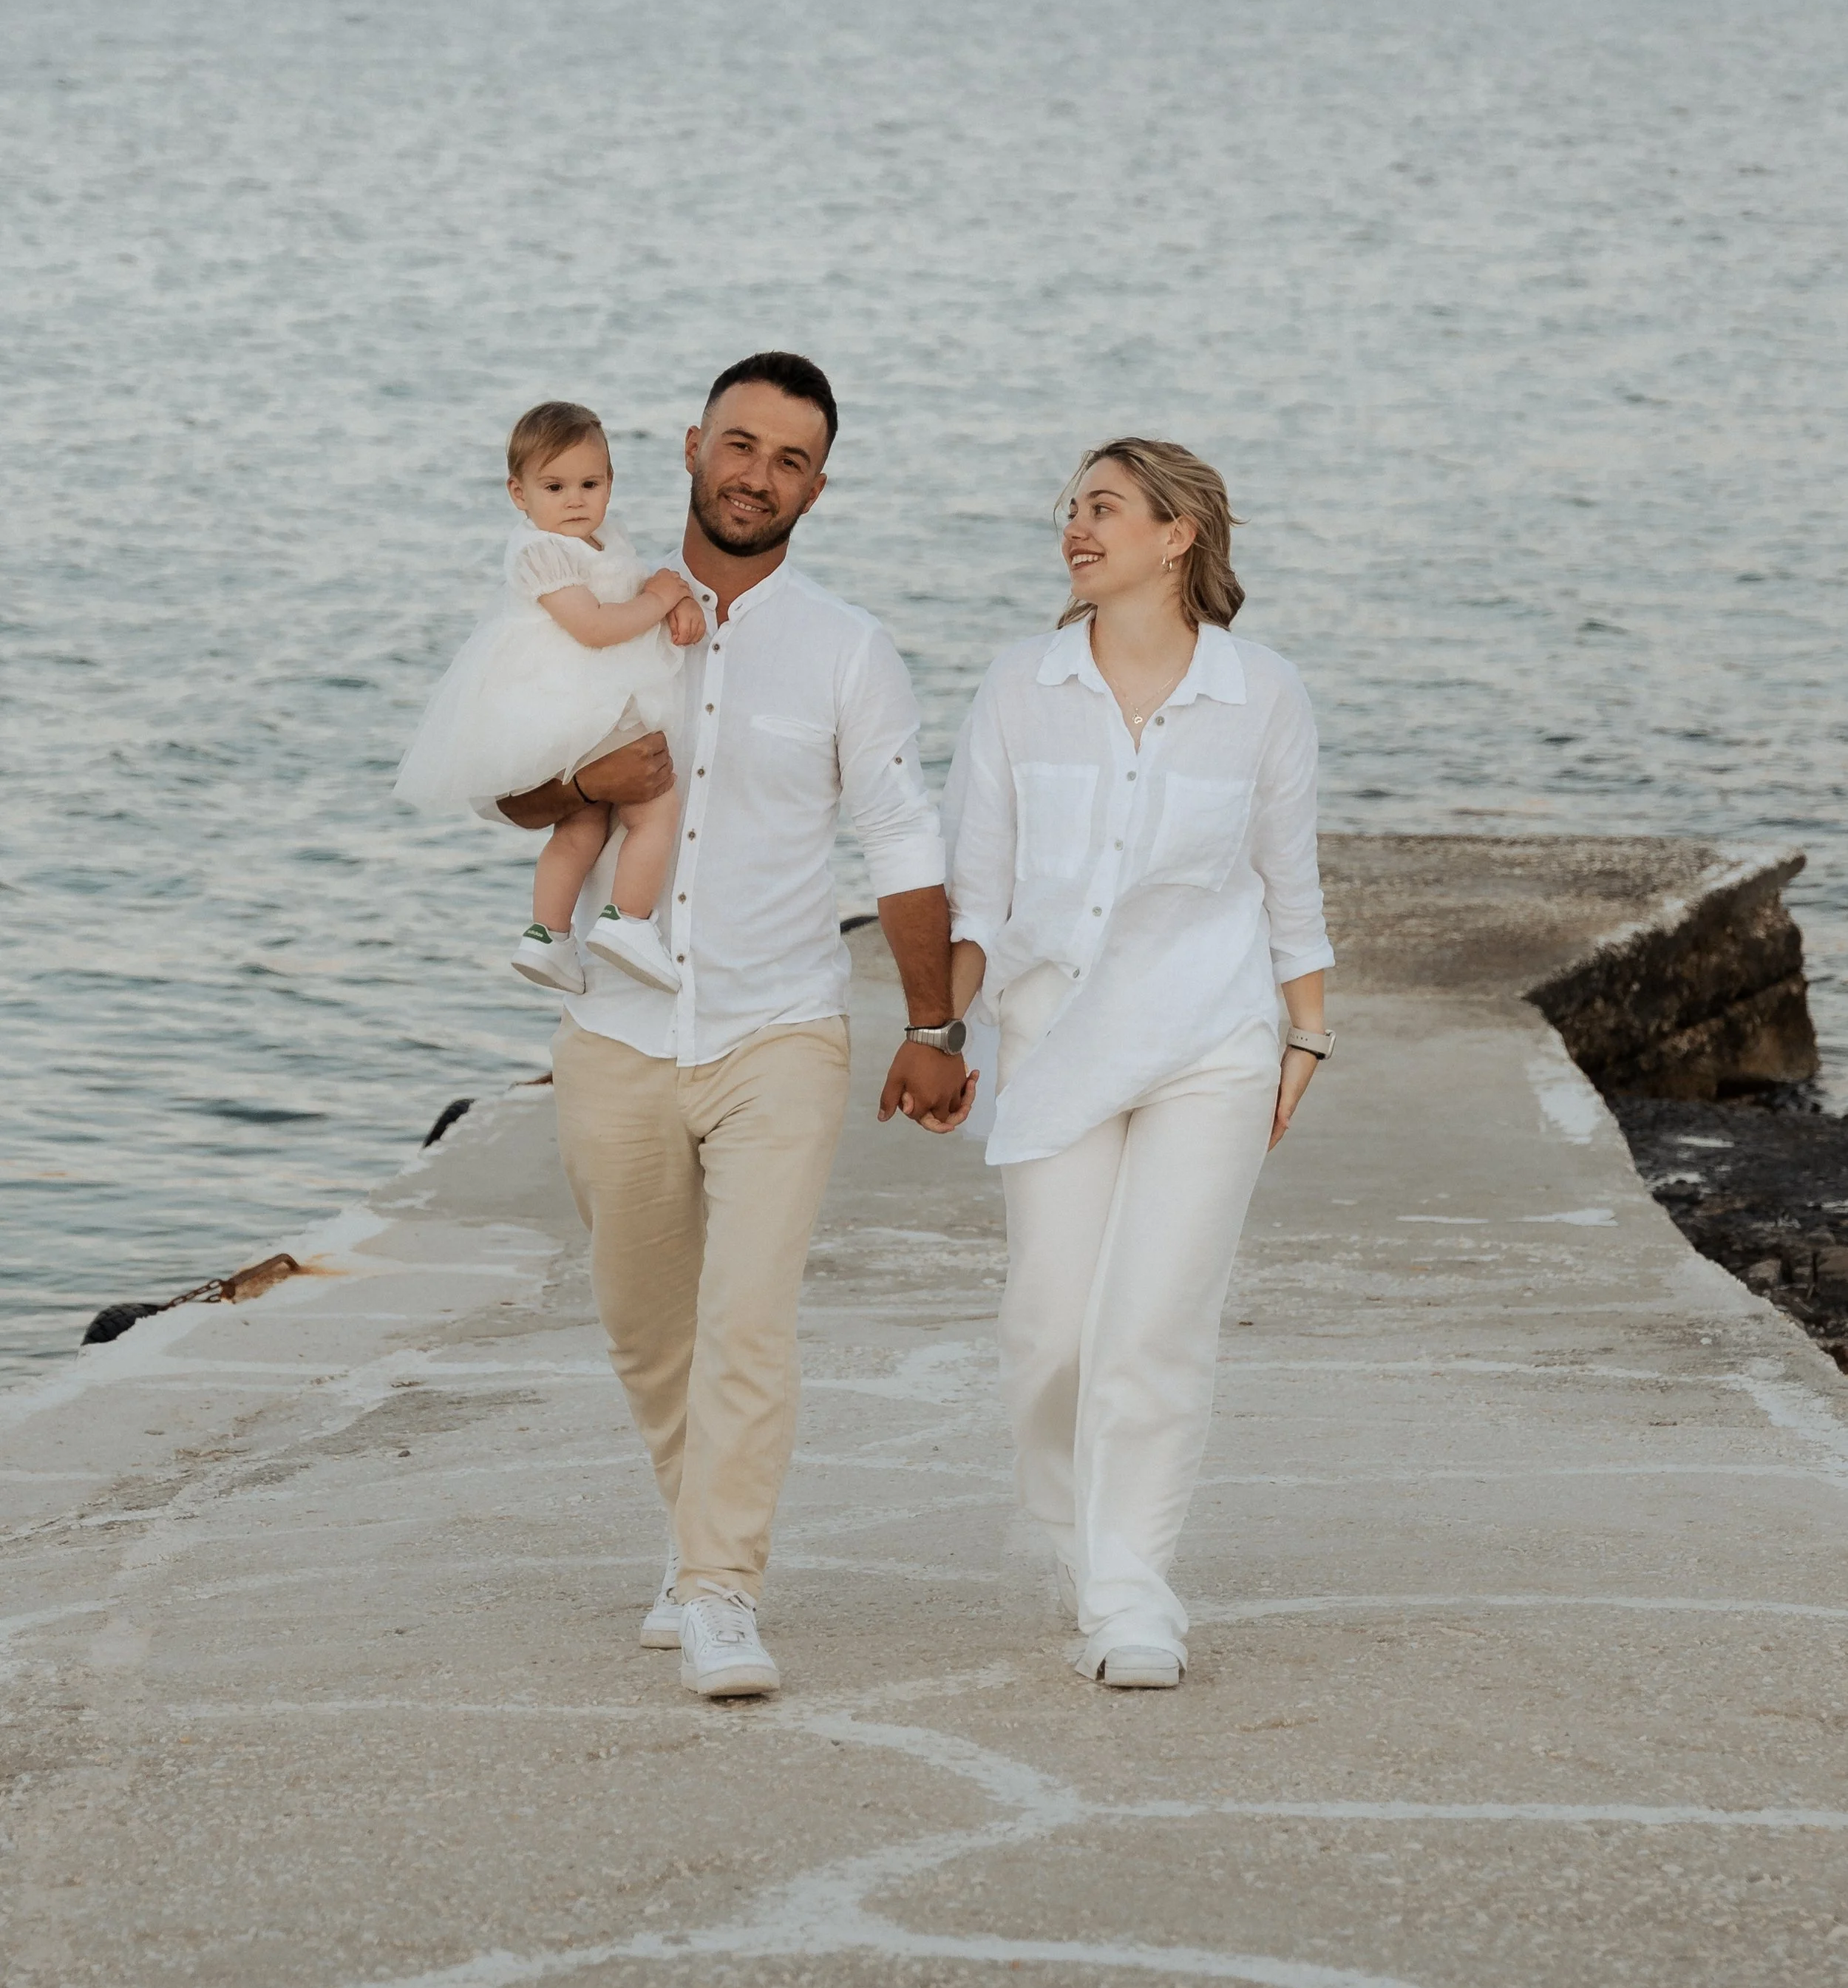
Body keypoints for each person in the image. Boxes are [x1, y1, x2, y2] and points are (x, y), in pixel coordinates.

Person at [496, 353, 973, 1701]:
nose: (759, 473)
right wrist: (588, 777)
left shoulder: (847, 648)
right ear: (693, 445)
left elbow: (898, 837)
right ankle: (690, 1534)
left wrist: (933, 1024)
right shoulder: (595, 608)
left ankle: (720, 1590)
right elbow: (517, 794)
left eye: (792, 458)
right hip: (618, 1032)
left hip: (779, 1027)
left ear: (819, 486)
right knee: (647, 1326)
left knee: (750, 1318)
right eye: (742, 443)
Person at [942, 438, 1334, 1691]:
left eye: (1104, 507)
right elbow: (975, 897)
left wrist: (1306, 1029)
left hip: (1210, 1041)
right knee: (1051, 1330)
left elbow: (1290, 876)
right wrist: (940, 1032)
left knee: (1155, 1326)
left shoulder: (1262, 694)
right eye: (1070, 509)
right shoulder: (1019, 686)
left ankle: (1131, 1591)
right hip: (1054, 1043)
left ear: (1179, 535)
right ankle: (1069, 1538)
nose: (1076, 527)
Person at [395, 401, 704, 995]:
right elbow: (594, 627)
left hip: (581, 704)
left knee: (582, 826)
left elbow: (638, 582)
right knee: (654, 808)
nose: (575, 500)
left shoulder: (600, 539)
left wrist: (678, 600)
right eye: (554, 486)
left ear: (611, 483)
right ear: (519, 493)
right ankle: (629, 923)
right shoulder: (540, 551)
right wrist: (664, 601)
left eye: (591, 484)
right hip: (572, 698)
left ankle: (548, 937)